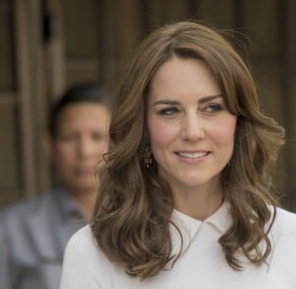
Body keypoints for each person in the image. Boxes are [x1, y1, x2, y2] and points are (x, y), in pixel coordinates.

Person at [60, 21, 296, 289]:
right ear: (143, 127)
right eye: (169, 111)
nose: (192, 132)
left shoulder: (290, 241)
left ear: (239, 121)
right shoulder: (93, 253)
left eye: (211, 108)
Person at [0, 82, 111, 289]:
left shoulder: (147, 223)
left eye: (97, 137)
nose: (84, 151)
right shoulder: (10, 229)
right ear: (51, 146)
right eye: (70, 138)